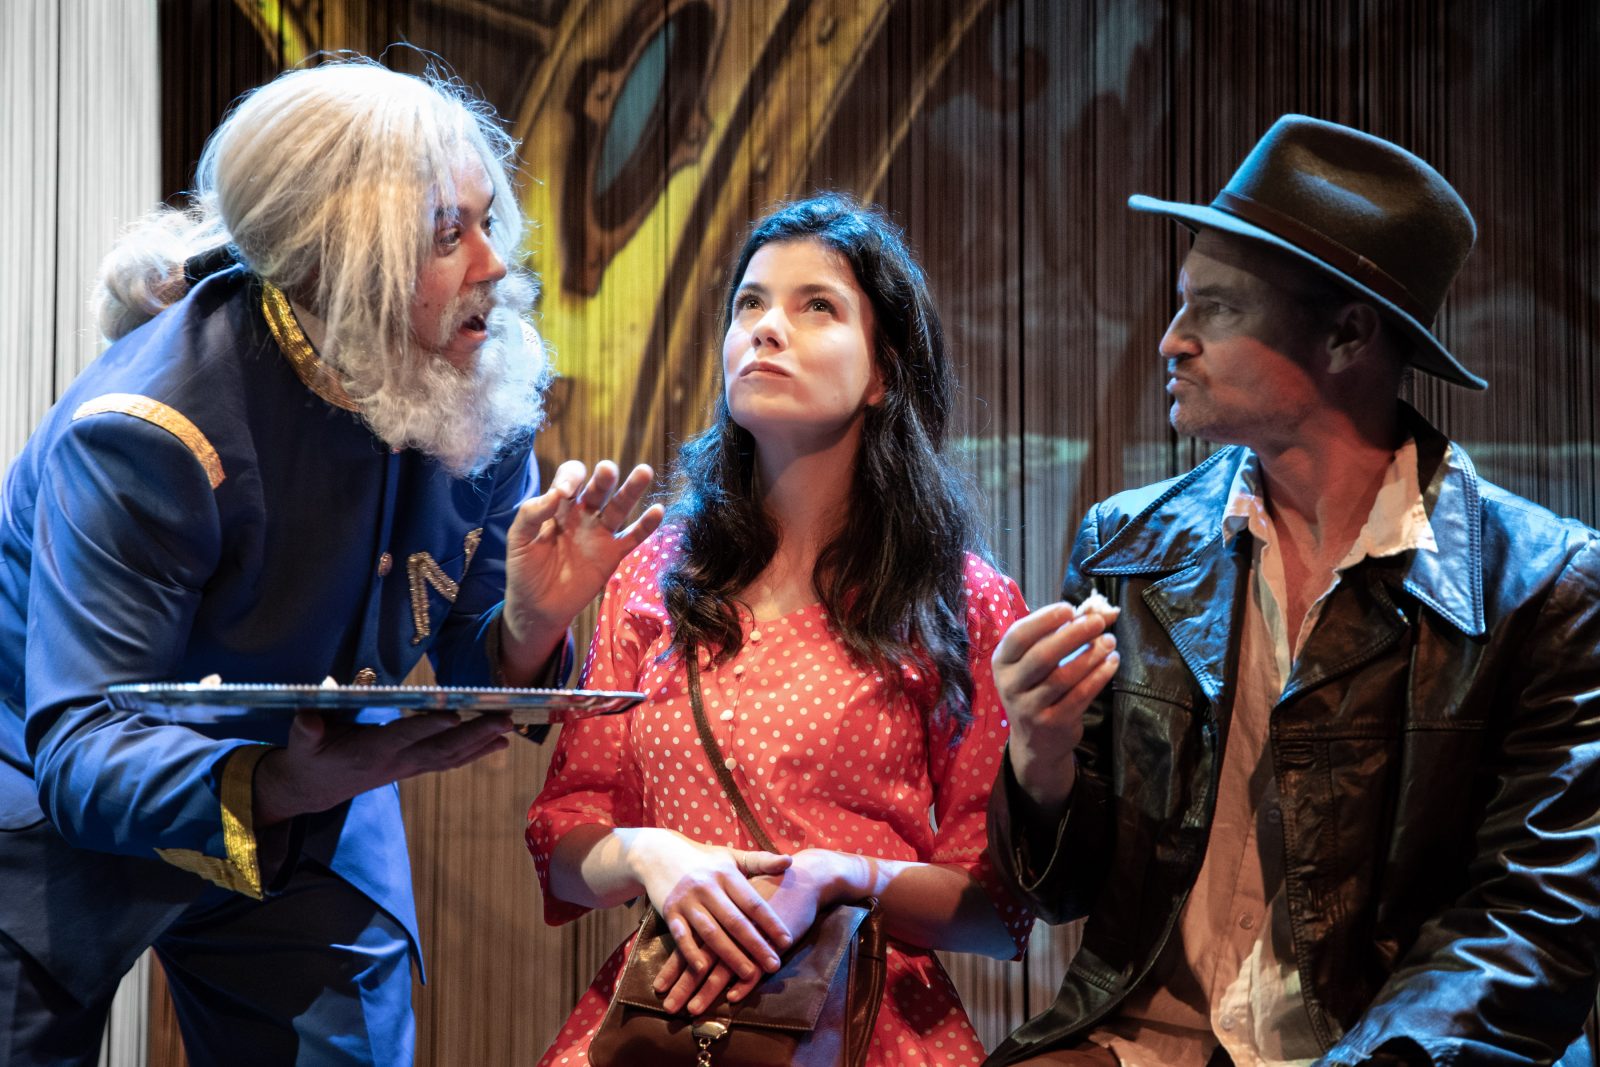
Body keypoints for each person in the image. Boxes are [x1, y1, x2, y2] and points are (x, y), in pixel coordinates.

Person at [0, 59, 663, 1066]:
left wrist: (530, 623)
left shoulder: (479, 384)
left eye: (489, 222)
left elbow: (470, 644)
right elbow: (82, 746)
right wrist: (278, 779)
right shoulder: (147, 433)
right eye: (448, 234)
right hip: (47, 809)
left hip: (314, 799)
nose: (495, 266)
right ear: (335, 267)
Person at [985, 114, 1600, 1067]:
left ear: (1348, 334)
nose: (1171, 341)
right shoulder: (1131, 545)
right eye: (1181, 304)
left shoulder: (1544, 586)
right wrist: (1041, 754)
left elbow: (1535, 918)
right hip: (1142, 1044)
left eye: (1216, 309)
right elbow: (1064, 893)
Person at [526, 193, 1042, 1064]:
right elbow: (561, 835)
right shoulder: (655, 574)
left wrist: (844, 877)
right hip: (670, 1016)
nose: (766, 328)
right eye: (750, 304)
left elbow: (997, 909)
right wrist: (650, 854)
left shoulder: (957, 597)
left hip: (863, 1023)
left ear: (881, 374)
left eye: (817, 307)